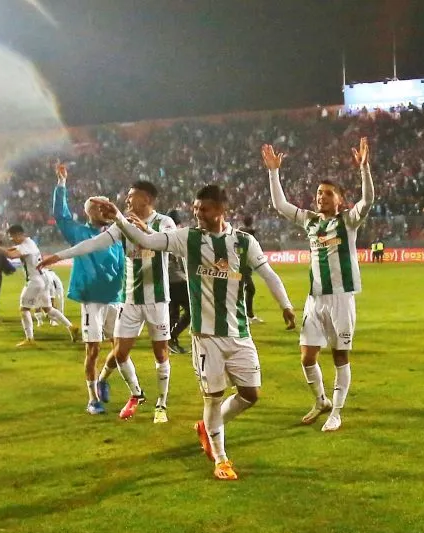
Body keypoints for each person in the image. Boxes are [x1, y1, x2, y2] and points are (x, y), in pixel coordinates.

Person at [86, 187, 297, 480]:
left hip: (239, 333)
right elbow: (146, 239)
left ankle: (207, 428)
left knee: (250, 395)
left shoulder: (243, 242)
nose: (197, 213)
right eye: (195, 208)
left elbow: (269, 274)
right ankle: (221, 459)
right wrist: (119, 217)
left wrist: (285, 305)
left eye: (204, 209)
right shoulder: (188, 238)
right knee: (213, 396)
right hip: (206, 336)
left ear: (222, 210)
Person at [262, 136, 374, 432]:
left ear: (340, 200)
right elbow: (280, 204)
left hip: (340, 299)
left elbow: (368, 201)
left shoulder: (348, 221)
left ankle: (336, 412)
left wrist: (364, 169)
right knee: (307, 356)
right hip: (315, 299)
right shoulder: (310, 222)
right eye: (318, 193)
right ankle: (322, 400)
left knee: (340, 356)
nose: (320, 198)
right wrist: (274, 172)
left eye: (327, 194)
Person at [47, 180, 176, 422]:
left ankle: (161, 404)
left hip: (157, 299)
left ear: (146, 199)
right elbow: (93, 243)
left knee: (161, 354)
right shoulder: (121, 225)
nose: (127, 201)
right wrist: (57, 256)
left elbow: (165, 242)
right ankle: (136, 394)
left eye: (132, 196)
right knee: (119, 353)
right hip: (129, 300)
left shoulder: (164, 222)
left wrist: (140, 229)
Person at [51, 163, 126, 415]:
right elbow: (60, 216)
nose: (103, 209)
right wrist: (61, 185)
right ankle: (92, 398)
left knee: (121, 349)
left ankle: (104, 378)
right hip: (92, 300)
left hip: (115, 298)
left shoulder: (118, 232)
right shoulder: (79, 233)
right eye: (97, 206)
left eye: (106, 206)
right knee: (93, 350)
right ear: (89, 212)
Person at [2, 225, 77, 346]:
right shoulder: (30, 241)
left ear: (18, 234)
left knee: (24, 309)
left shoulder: (25, 246)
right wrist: (0, 249)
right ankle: (71, 326)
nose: (12, 240)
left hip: (34, 281)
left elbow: (11, 255)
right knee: (48, 309)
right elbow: (11, 250)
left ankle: (29, 339)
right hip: (43, 279)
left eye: (12, 237)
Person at [166, 209, 190, 355]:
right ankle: (172, 337)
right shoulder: (179, 236)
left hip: (166, 280)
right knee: (192, 310)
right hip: (178, 280)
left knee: (173, 312)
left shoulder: (161, 235)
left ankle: (168, 340)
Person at [241, 215, 262, 324]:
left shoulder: (239, 232)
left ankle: (247, 315)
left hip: (241, 267)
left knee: (245, 290)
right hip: (241, 268)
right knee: (249, 289)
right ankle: (247, 316)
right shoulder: (249, 233)